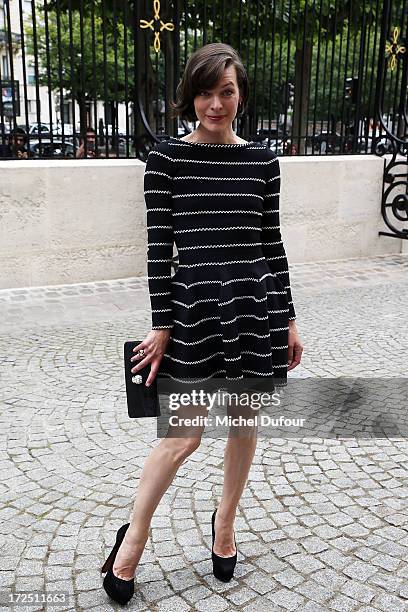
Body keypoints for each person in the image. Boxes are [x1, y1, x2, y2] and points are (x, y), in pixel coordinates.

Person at [101, 42, 304, 605]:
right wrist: (162, 325)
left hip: (253, 309)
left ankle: (225, 522)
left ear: (240, 95)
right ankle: (133, 538)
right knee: (182, 436)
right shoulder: (165, 161)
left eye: (226, 91)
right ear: (190, 96)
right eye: (205, 92)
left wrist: (286, 317)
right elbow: (158, 250)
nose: (215, 104)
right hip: (193, 314)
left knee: (243, 425)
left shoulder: (263, 162)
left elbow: (271, 243)